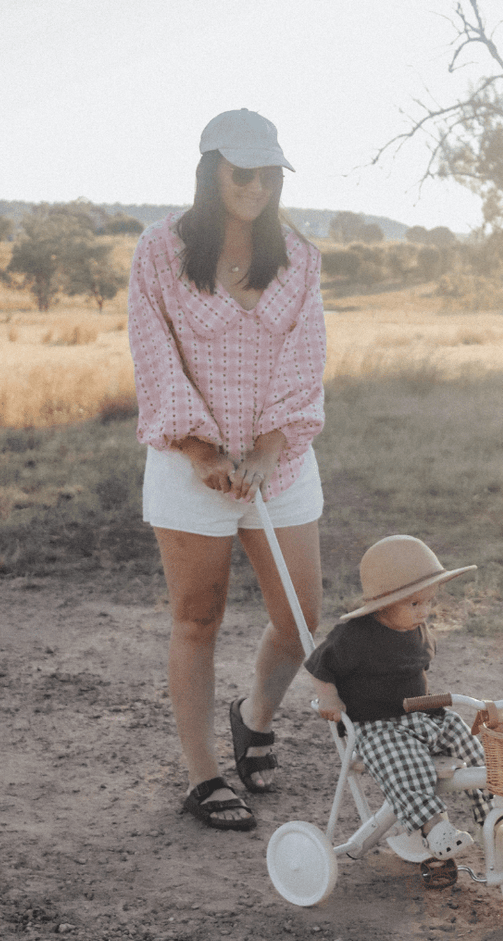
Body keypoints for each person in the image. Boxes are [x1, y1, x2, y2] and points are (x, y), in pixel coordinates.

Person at [128, 109, 325, 831]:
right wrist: (202, 451)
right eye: (244, 172)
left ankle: (256, 717)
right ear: (213, 170)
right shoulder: (158, 252)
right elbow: (154, 354)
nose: (258, 186)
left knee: (303, 619)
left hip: (281, 459)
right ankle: (204, 775)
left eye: (270, 173)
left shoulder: (299, 258)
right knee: (197, 617)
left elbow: (305, 359)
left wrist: (270, 447)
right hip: (193, 465)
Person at [305, 535, 488, 859]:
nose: (424, 611)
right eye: (414, 603)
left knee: (465, 735)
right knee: (409, 765)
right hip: (377, 727)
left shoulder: (418, 630)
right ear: (383, 604)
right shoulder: (354, 636)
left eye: (429, 601)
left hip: (420, 716)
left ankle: (489, 812)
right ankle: (435, 826)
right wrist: (329, 699)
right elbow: (321, 667)